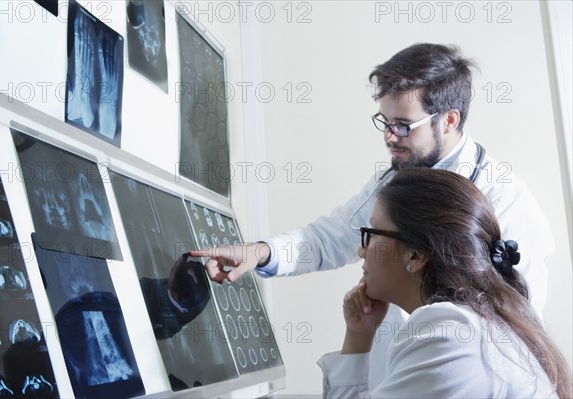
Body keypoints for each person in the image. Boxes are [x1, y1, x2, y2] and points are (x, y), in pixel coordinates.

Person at [189, 43, 555, 384]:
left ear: (448, 120)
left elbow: (510, 330)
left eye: (403, 126)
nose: (389, 137)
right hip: (399, 370)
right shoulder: (398, 178)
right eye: (385, 122)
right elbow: (333, 236)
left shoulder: (504, 200)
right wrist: (259, 252)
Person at [317, 168, 571, 398]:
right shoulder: (475, 321)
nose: (362, 251)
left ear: (415, 254)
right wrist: (359, 334)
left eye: (371, 235)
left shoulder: (449, 333)